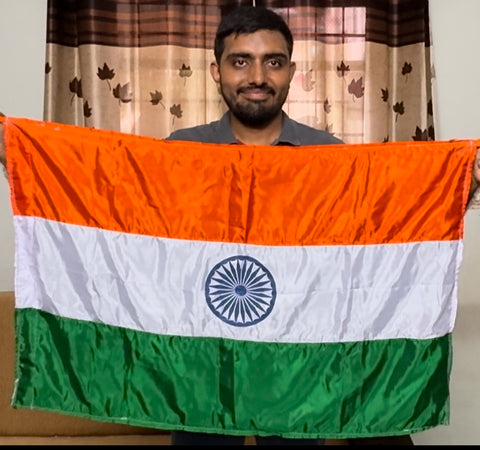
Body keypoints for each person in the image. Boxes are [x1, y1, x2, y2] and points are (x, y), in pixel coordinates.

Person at [0, 5, 479, 447]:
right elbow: (112, 200)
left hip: (299, 370)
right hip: (202, 372)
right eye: (240, 62)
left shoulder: (329, 157)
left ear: (291, 71)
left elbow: (389, 218)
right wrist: (24, 156)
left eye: (273, 62)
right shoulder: (181, 153)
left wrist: (462, 179)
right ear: (217, 71)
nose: (257, 77)